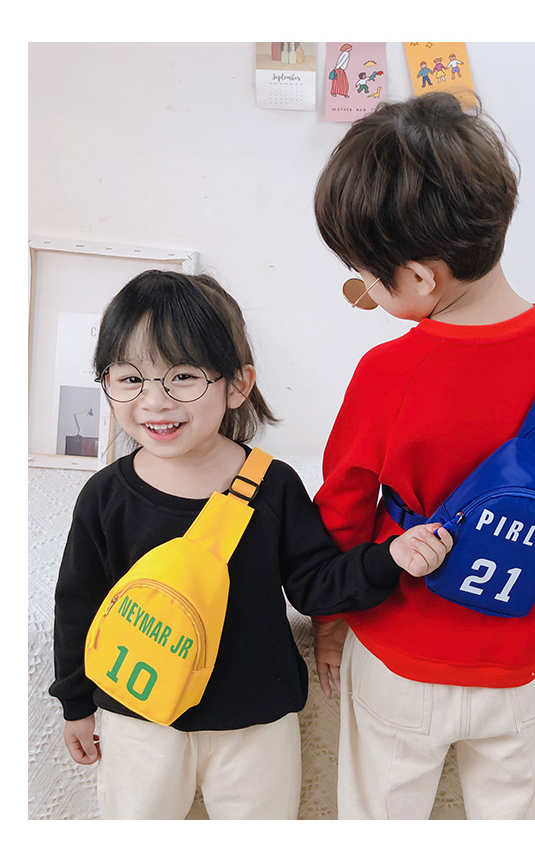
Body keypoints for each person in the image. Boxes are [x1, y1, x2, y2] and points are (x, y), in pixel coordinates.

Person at [48, 269, 452, 820]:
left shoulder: (273, 484)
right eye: (129, 378)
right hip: (137, 717)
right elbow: (78, 604)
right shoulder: (105, 495)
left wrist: (390, 558)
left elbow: (314, 584)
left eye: (183, 376)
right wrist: (75, 703)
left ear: (237, 385)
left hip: (256, 723)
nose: (154, 401)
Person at [312, 92, 535, 820]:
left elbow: (344, 506)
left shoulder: (388, 372)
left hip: (399, 659)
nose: (364, 290)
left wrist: (329, 614)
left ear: (419, 278)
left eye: (364, 277)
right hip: (522, 662)